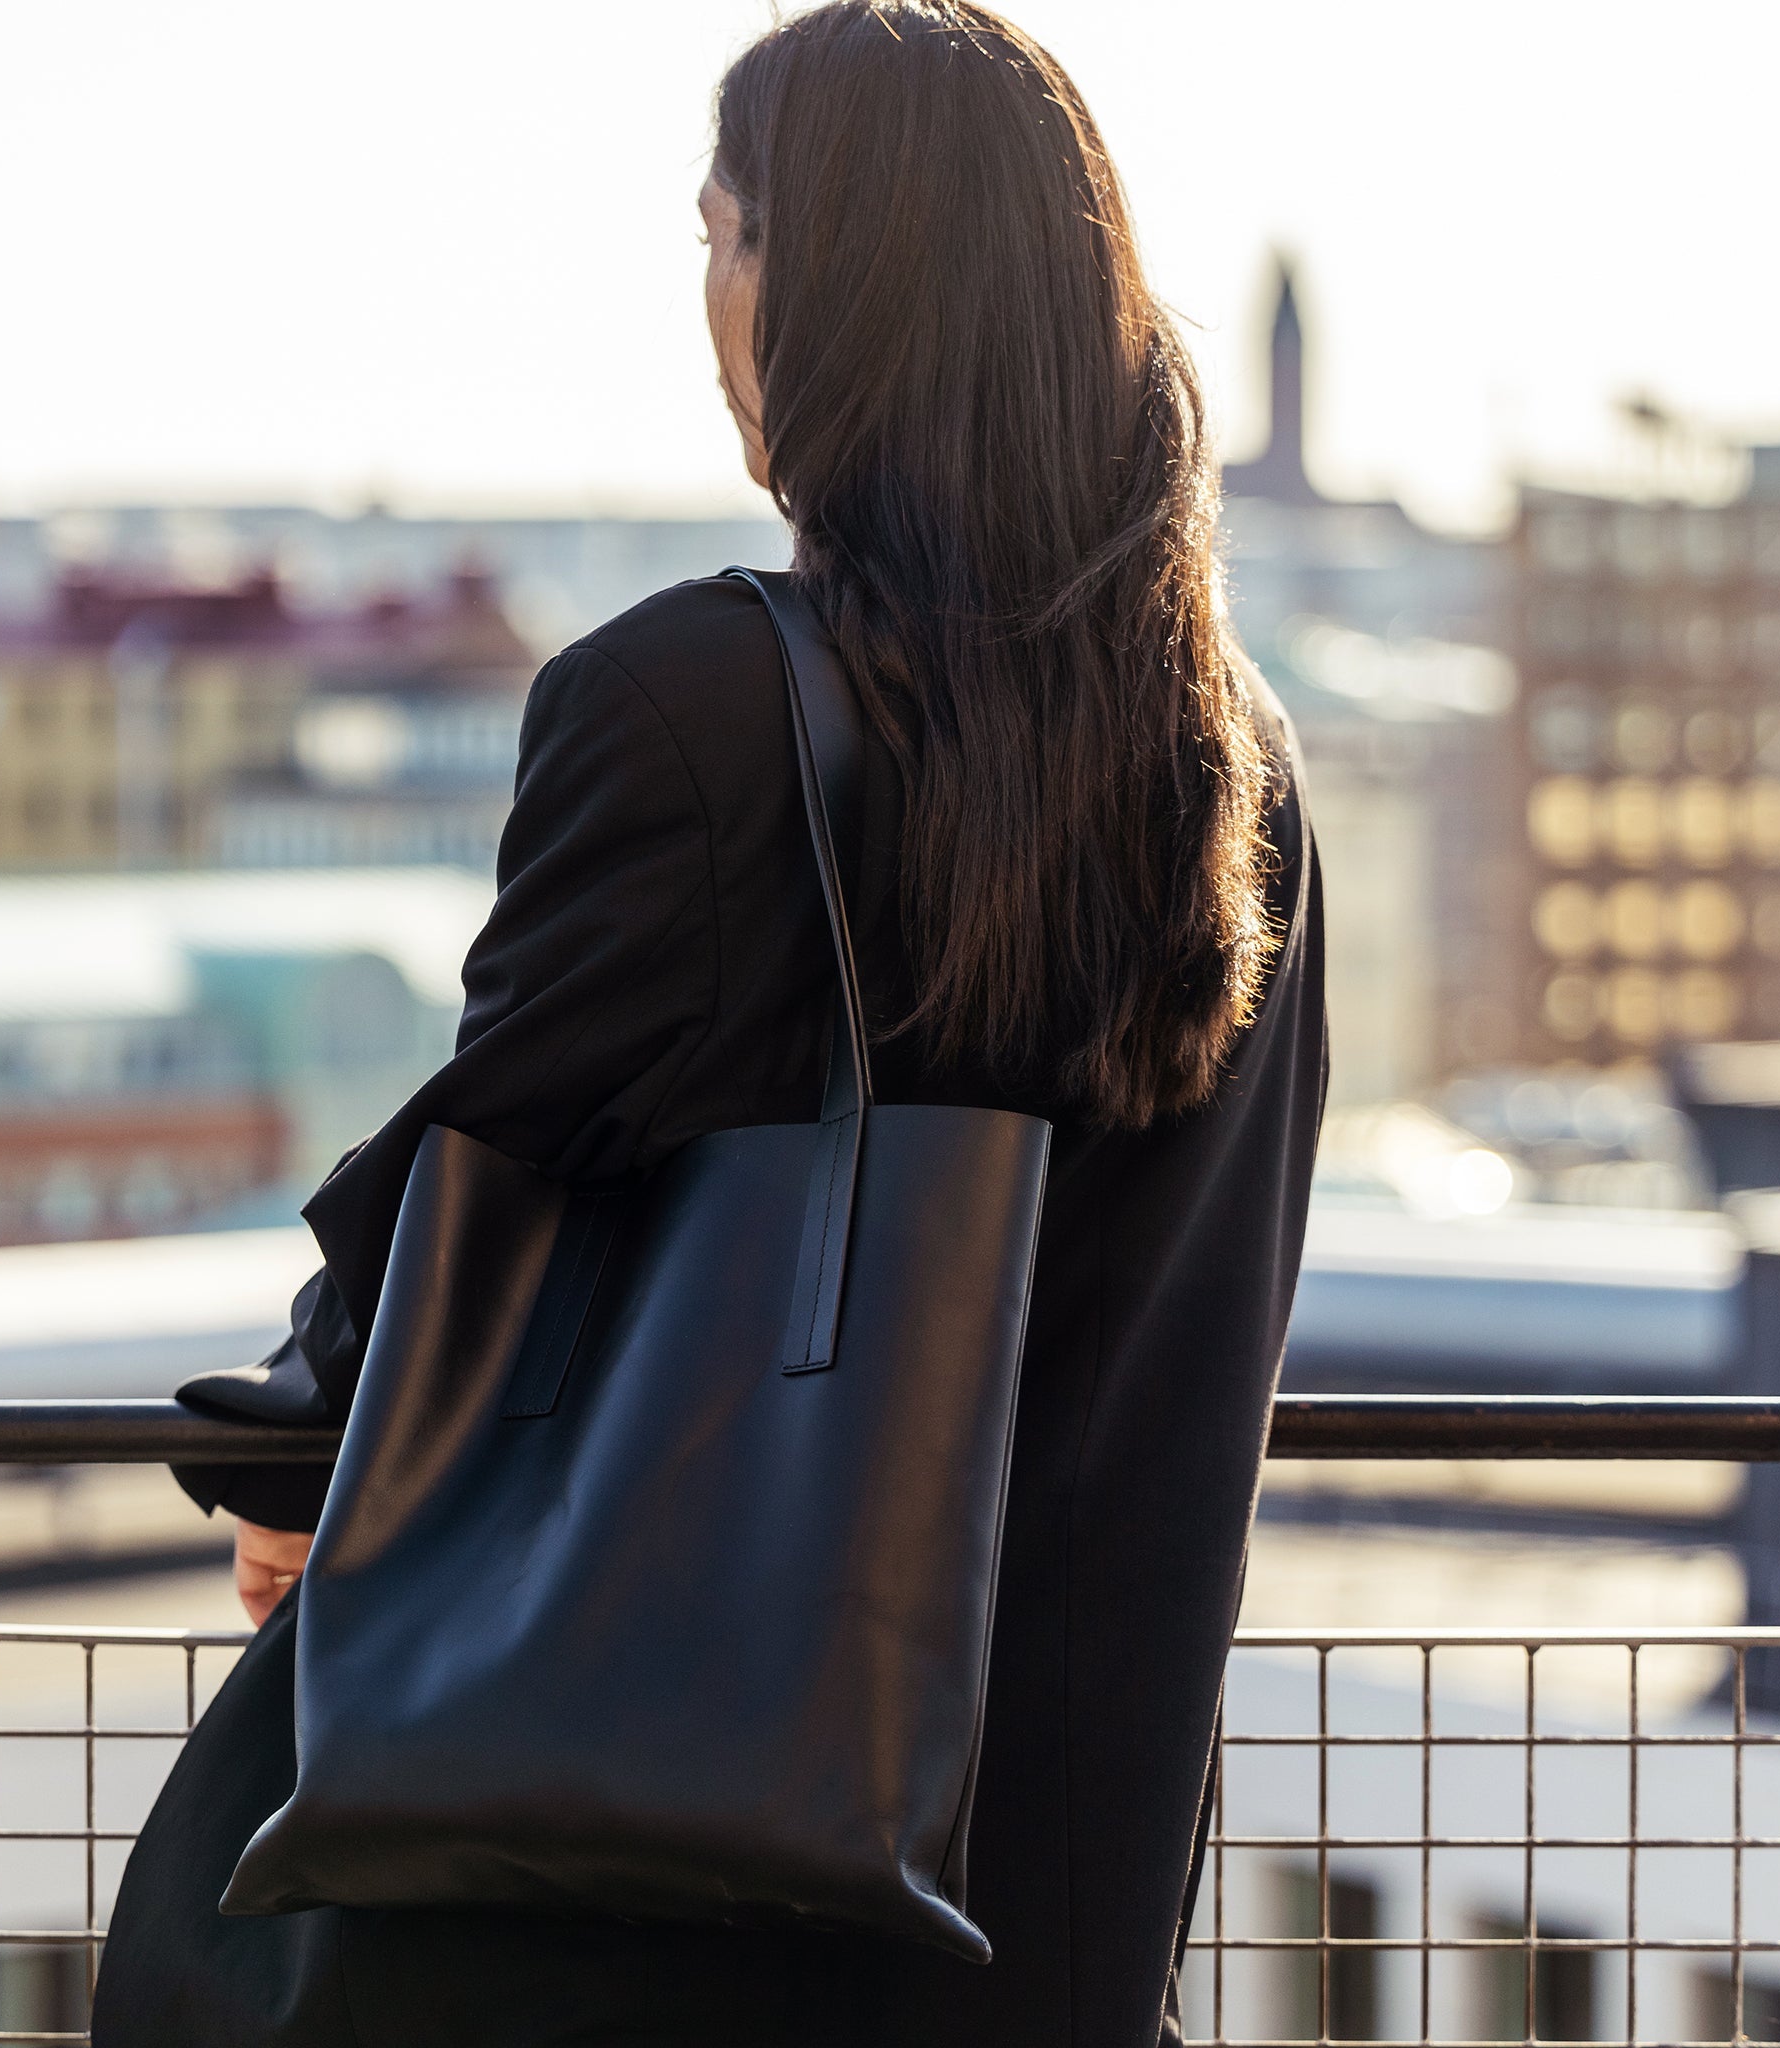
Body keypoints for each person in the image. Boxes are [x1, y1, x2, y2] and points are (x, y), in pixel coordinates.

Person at [91, 5, 1325, 2044]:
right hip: (1046, 1900)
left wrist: (303, 1446)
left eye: (722, 238)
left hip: (660, 1897)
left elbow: (481, 1186)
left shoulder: (693, 711)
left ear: (833, 290)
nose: (708, 306)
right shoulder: (1241, 773)